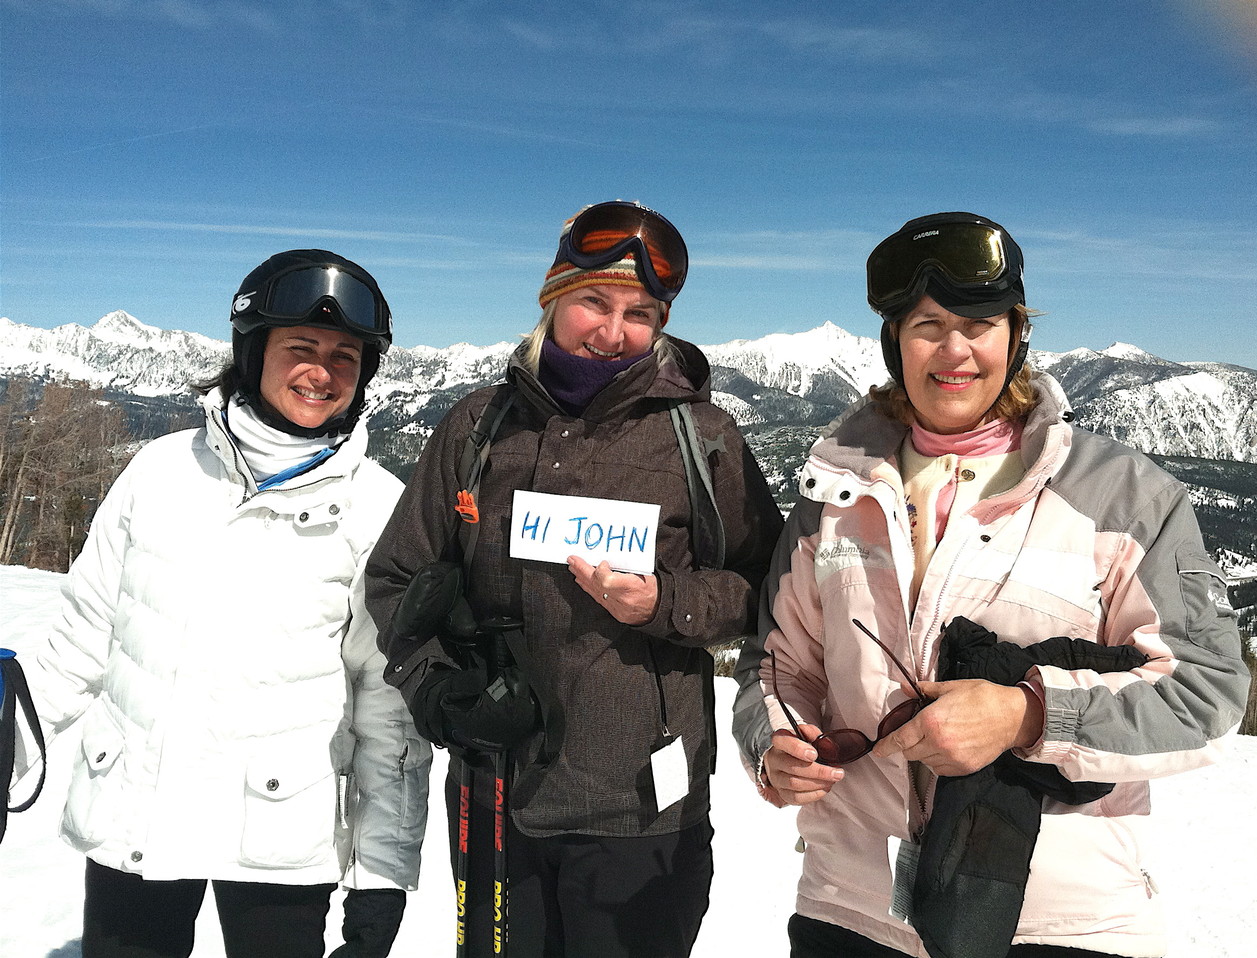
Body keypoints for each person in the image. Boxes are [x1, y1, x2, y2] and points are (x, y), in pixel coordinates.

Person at [732, 212, 1251, 958]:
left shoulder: (1123, 495)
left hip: (1056, 924)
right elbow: (775, 668)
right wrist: (776, 743)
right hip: (850, 910)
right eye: (926, 325)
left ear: (1014, 337)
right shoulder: (832, 495)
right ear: (892, 344)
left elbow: (1205, 695)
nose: (953, 349)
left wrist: (1027, 715)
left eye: (977, 324)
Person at [364, 201, 783, 958]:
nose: (612, 331)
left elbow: (769, 589)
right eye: (594, 301)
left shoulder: (703, 436)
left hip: (642, 805)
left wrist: (667, 601)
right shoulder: (475, 426)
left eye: (640, 312)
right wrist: (436, 689)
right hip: (495, 789)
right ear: (554, 297)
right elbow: (397, 578)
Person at [13, 250, 430, 958]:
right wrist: (8, 746)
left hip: (278, 835)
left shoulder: (381, 509)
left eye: (345, 358)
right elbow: (79, 642)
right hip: (134, 811)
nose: (322, 373)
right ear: (252, 349)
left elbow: (386, 716)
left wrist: (381, 883)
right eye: (301, 348)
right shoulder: (160, 471)